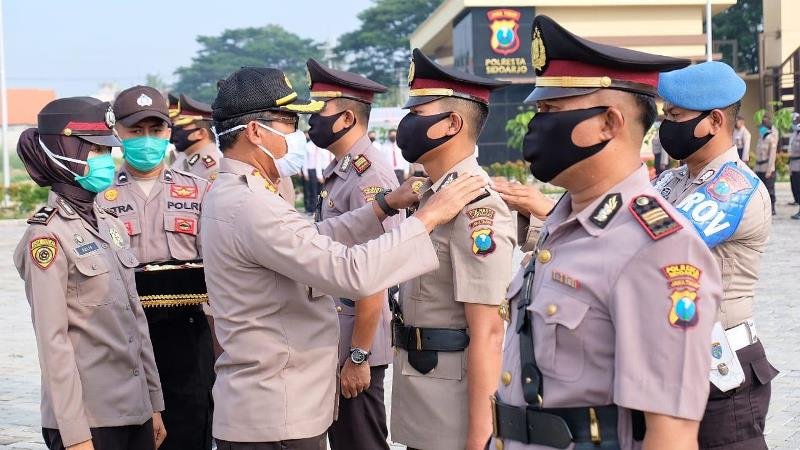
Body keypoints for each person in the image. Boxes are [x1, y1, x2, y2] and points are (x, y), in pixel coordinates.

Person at [201, 66, 488, 450]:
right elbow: (351, 271)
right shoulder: (252, 203)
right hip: (276, 412)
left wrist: (382, 207)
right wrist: (428, 217)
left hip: (272, 403)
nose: (300, 133)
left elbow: (312, 241)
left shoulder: (237, 194)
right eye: (290, 122)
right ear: (256, 131)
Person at [489, 16, 722, 450]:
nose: (535, 126)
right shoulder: (564, 222)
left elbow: (670, 435)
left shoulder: (658, 248)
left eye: (551, 112)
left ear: (609, 123)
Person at [14, 96, 166, 450]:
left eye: (108, 151)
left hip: (135, 412)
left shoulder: (111, 225)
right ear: (67, 152)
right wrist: (74, 433)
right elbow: (54, 345)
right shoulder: (47, 236)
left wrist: (154, 404)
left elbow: (135, 322)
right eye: (96, 151)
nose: (107, 161)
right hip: (90, 420)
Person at [390, 48, 516, 450]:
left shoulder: (475, 204)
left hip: (453, 412)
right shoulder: (433, 196)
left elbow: (489, 330)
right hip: (423, 396)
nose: (406, 123)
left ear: (452, 124)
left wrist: (482, 438)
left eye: (418, 112)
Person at [654, 60, 778, 450]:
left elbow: (655, 244)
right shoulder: (673, 178)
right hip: (675, 360)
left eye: (676, 116)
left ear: (714, 121)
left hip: (722, 371)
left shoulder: (734, 187)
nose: (666, 126)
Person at [97, 85, 215, 450]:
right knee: (129, 431)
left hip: (187, 331)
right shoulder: (98, 196)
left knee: (189, 428)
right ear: (117, 132)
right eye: (136, 131)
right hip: (122, 333)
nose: (147, 140)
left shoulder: (199, 191)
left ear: (168, 132)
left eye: (155, 130)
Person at [305, 58, 400, 450]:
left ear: (345, 118)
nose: (310, 121)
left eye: (318, 112)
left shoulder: (369, 176)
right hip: (338, 337)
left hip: (355, 344)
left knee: (360, 443)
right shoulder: (342, 170)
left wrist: (359, 355)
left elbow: (374, 270)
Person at [170, 94, 222, 181]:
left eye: (181, 128)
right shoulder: (186, 159)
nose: (175, 132)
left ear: (201, 133)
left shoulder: (212, 169)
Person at [754, 116, 778, 215]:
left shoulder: (771, 139)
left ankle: (772, 208)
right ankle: (763, 208)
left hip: (767, 169)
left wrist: (769, 170)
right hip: (759, 168)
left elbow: (772, 156)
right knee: (761, 190)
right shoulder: (760, 138)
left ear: (767, 128)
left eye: (762, 127)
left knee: (769, 189)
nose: (761, 129)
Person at [301, 132, 321, 213]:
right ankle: (312, 209)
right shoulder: (307, 146)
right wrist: (305, 172)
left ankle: (319, 208)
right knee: (312, 190)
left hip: (319, 169)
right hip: (310, 170)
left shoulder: (320, 146)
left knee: (320, 191)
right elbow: (304, 160)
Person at [788, 113, 800, 214]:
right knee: (795, 186)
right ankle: (797, 201)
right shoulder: (795, 133)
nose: (793, 123)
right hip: (793, 164)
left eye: (795, 121)